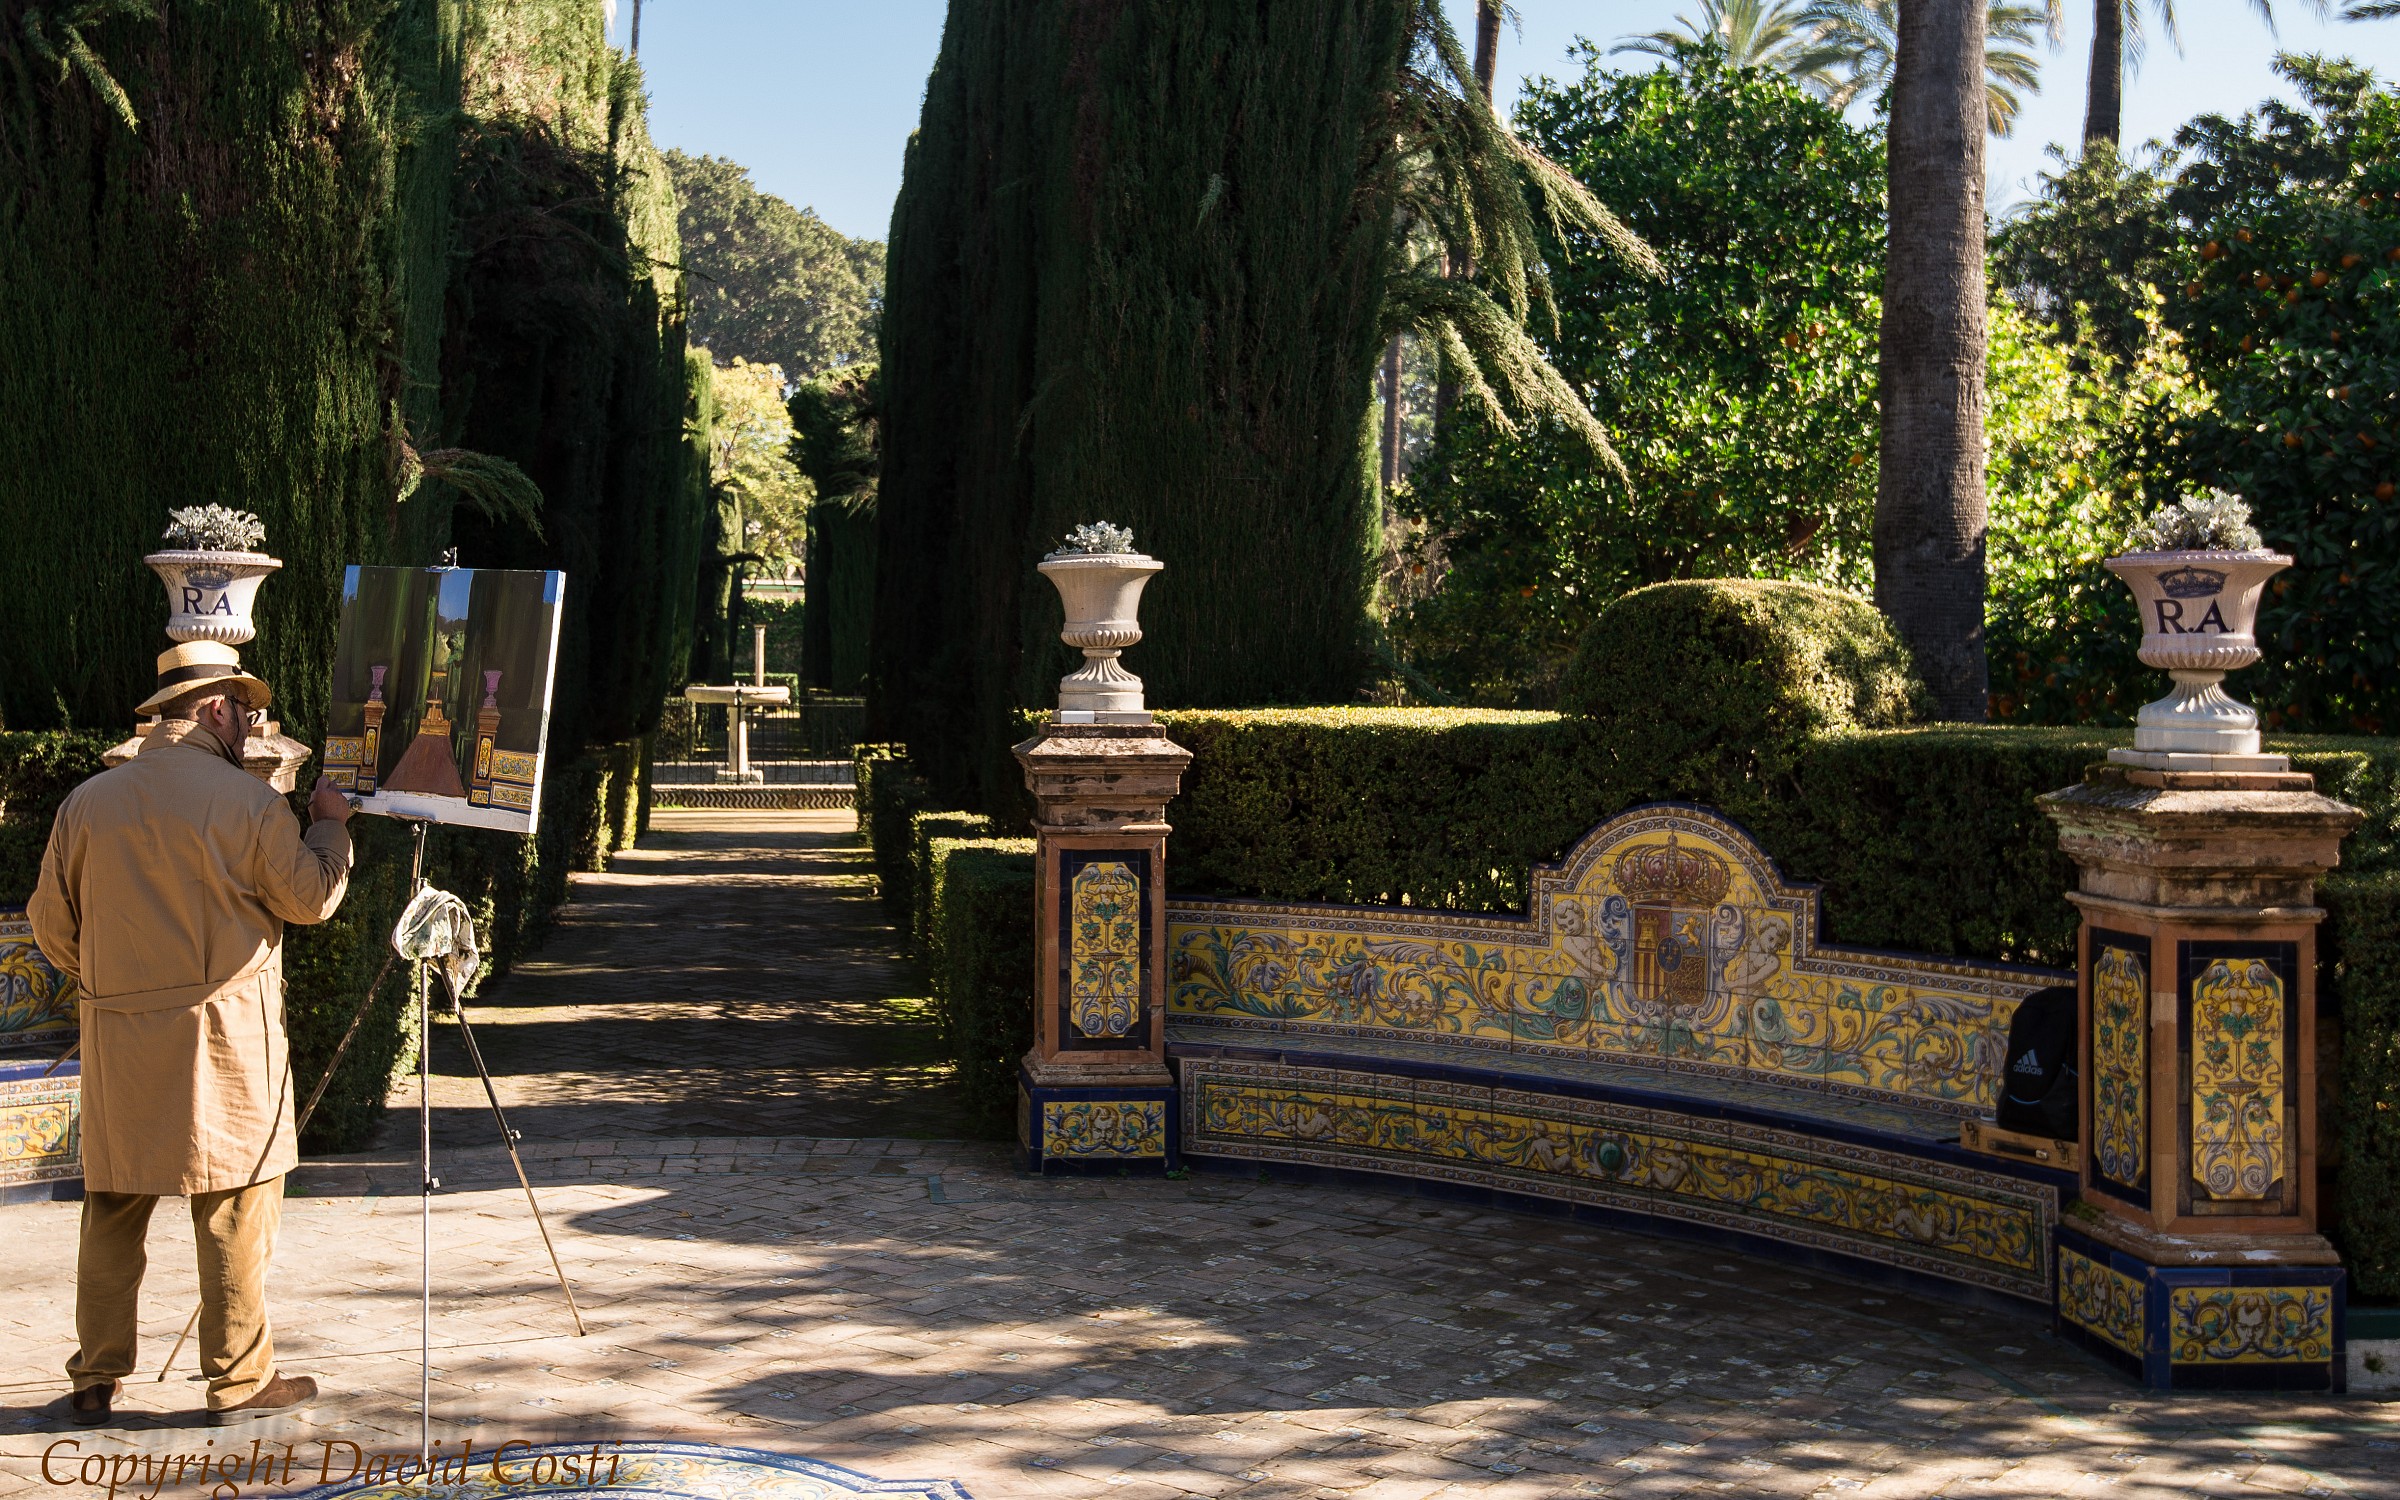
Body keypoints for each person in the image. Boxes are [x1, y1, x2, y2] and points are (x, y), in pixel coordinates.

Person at [30, 641, 354, 1426]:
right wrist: (331, 829)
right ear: (213, 710)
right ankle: (241, 1381)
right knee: (236, 1200)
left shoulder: (87, 802)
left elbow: (50, 924)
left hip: (121, 1038)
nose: (251, 723)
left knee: (112, 1204)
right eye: (244, 709)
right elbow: (309, 899)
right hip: (223, 1034)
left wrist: (117, 983)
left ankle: (95, 1377)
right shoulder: (249, 804)